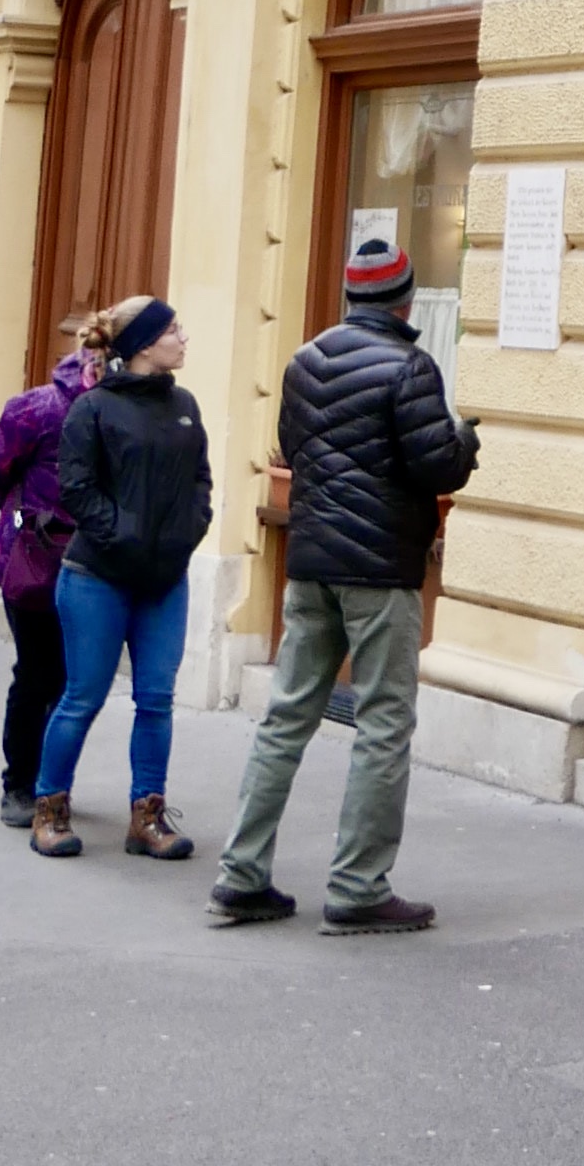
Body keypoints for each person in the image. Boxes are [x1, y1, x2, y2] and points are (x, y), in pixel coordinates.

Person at [212, 227, 477, 934]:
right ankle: (359, 885)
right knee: (383, 723)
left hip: (310, 562)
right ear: (404, 300)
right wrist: (465, 442)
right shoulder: (410, 366)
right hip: (381, 571)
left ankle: (241, 874)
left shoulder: (304, 361)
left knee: (286, 717)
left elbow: (293, 448)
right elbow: (437, 467)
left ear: (351, 296)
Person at [33, 299, 213, 862]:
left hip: (165, 580)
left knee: (156, 699)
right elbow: (77, 490)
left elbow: (201, 481)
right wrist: (125, 537)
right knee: (83, 697)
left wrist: (188, 532)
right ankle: (49, 810)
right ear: (144, 345)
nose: (183, 338)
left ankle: (148, 817)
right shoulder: (93, 409)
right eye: (173, 330)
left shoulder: (184, 406)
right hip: (98, 578)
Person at [0, 319, 101, 825]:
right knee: (37, 672)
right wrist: (26, 520)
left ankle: (51, 784)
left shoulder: (121, 411)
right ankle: (21, 785)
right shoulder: (37, 408)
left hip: (96, 564)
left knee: (73, 679)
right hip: (36, 560)